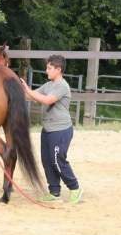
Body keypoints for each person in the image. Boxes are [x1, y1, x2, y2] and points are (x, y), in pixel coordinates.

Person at [20, 54, 83, 204]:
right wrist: (17, 89)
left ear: (58, 69)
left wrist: (28, 90)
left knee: (57, 159)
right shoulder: (48, 86)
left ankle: (75, 188)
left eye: (49, 68)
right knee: (47, 160)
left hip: (60, 130)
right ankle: (54, 192)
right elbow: (32, 96)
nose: (46, 71)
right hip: (48, 130)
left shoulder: (62, 86)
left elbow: (47, 100)